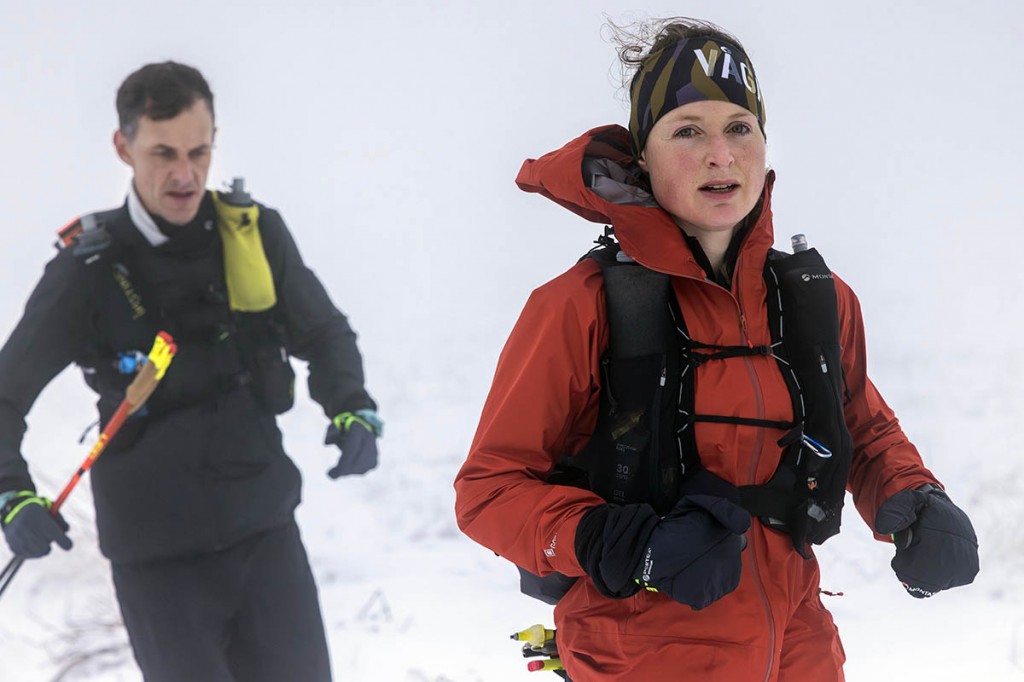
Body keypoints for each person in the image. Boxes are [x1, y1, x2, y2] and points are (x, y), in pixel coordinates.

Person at [454, 18, 978, 681]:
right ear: (642, 155)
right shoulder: (579, 306)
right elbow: (489, 490)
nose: (720, 156)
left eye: (738, 128)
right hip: (637, 649)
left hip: (796, 640)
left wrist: (917, 502)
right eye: (687, 131)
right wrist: (625, 542)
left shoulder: (815, 301)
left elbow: (860, 428)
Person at [0, 61, 381, 681]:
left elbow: (324, 332)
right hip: (159, 567)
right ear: (123, 147)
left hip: (265, 537)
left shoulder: (251, 235)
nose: (185, 174)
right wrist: (11, 495)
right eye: (164, 153)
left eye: (199, 151)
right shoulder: (87, 271)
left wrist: (352, 404)